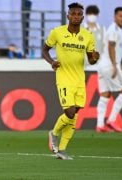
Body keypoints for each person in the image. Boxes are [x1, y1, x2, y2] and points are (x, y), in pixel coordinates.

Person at [42, 2, 99, 160]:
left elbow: (91, 59)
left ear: (82, 17)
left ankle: (62, 150)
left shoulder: (87, 35)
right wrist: (51, 62)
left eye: (79, 14)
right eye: (73, 14)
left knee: (74, 115)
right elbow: (44, 49)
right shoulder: (57, 32)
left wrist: (95, 58)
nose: (76, 16)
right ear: (68, 16)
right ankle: (53, 134)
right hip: (64, 78)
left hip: (80, 79)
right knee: (70, 112)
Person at [96, 7, 122, 133]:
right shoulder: (114, 29)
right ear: (115, 17)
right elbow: (111, 46)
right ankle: (111, 120)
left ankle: (100, 125)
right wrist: (115, 65)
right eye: (121, 16)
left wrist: (118, 64)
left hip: (102, 65)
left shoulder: (116, 29)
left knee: (105, 94)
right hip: (109, 65)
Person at [83, 5, 106, 69]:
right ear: (86, 15)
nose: (92, 16)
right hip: (83, 65)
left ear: (97, 15)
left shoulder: (102, 29)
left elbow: (105, 47)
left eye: (94, 14)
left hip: (99, 66)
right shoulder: (80, 29)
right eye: (90, 14)